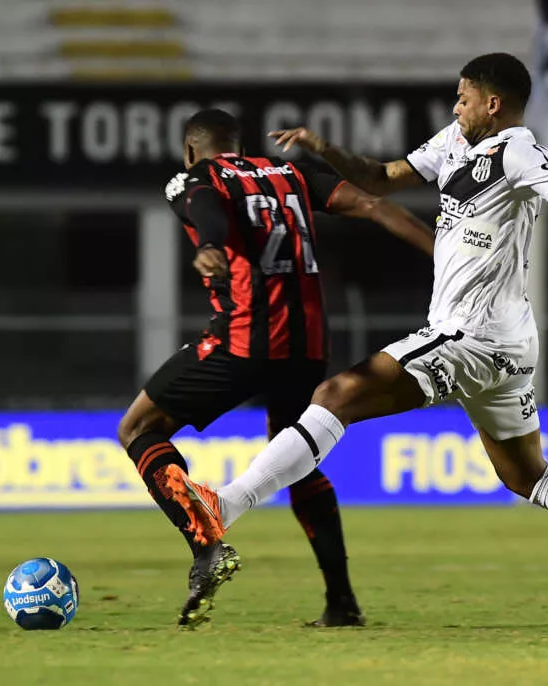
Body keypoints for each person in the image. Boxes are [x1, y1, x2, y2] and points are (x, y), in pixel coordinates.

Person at [163, 55, 548, 628]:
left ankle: (224, 505)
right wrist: (323, 148)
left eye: (464, 98)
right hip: (508, 348)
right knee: (527, 475)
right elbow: (378, 178)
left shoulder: (518, 150)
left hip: (469, 336)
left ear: (492, 104)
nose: (456, 106)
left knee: (336, 395)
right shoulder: (454, 142)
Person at [117, 108, 435, 629]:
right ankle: (342, 604)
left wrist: (214, 245)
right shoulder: (289, 173)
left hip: (246, 337)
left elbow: (206, 208)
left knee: (138, 427)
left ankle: (204, 545)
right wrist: (445, 256)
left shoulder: (198, 177)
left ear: (191, 150)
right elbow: (374, 205)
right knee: (297, 462)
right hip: (308, 344)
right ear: (239, 145)